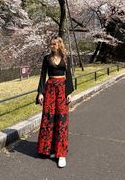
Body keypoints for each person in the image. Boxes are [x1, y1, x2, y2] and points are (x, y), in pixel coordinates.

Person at [37, 36, 74, 168]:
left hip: (62, 88)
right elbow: (42, 75)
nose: (52, 46)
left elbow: (69, 74)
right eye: (51, 44)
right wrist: (40, 93)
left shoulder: (65, 58)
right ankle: (48, 148)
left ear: (59, 45)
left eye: (54, 44)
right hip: (50, 88)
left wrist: (69, 92)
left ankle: (61, 153)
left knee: (62, 119)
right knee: (49, 118)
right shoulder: (47, 58)